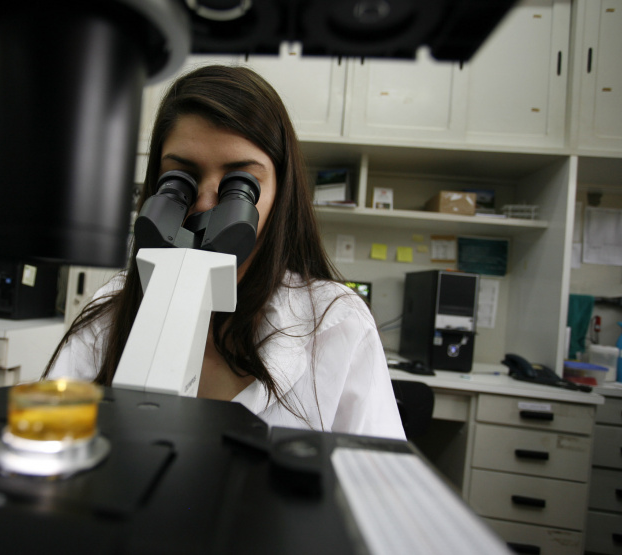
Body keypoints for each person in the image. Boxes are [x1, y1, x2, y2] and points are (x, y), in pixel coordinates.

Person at [45, 65, 404, 439]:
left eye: (240, 183)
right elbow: (50, 445)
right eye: (180, 179)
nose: (204, 203)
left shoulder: (335, 323)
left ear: (281, 191)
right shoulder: (111, 310)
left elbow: (377, 484)